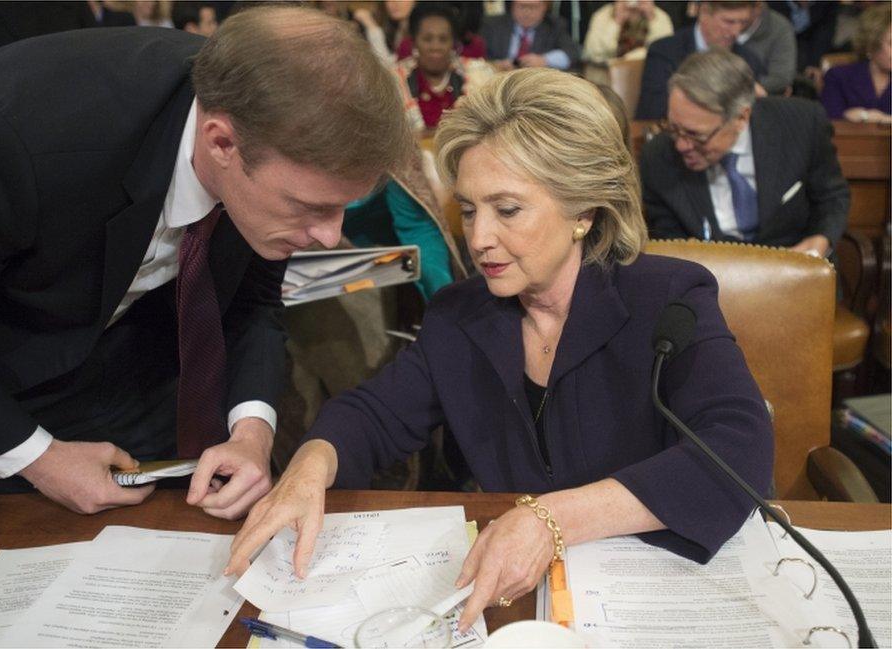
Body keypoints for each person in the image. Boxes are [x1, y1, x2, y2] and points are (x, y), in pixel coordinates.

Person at [226, 68, 774, 631]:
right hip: (511, 607)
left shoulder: (670, 297)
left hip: (650, 602)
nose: (479, 236)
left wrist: (549, 519)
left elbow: (740, 450)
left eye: (507, 210)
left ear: (584, 211)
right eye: (468, 209)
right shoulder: (459, 315)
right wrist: (310, 466)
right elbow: (374, 414)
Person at [0, 6, 411, 517]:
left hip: (145, 374)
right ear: (221, 142)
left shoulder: (268, 131)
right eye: (311, 208)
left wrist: (252, 433)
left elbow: (253, 300)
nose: (331, 238)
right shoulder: (9, 137)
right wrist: (39, 458)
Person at [641, 50, 848, 257]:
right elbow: (671, 247)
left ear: (741, 118)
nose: (681, 146)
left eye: (696, 135)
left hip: (797, 269)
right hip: (711, 280)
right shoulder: (658, 157)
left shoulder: (802, 123)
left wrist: (820, 242)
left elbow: (832, 196)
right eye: (674, 128)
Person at [635, 0, 766, 119]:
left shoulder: (748, 59)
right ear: (704, 13)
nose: (736, 32)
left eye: (743, 23)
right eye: (729, 22)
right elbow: (653, 110)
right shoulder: (665, 51)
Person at [394, 2, 495, 131]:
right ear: (414, 42)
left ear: (453, 42)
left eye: (443, 39)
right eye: (427, 39)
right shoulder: (395, 80)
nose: (435, 47)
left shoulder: (478, 74)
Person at [820, 2, 891, 124]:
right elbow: (828, 123)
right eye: (891, 43)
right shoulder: (838, 76)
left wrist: (880, 118)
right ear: (871, 44)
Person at [480, 0, 581, 72]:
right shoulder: (492, 25)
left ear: (545, 7)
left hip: (536, 84)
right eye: (522, 6)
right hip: (498, 80)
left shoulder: (554, 25)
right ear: (512, 5)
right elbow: (476, 56)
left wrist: (544, 60)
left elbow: (572, 53)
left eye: (533, 7)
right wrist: (496, 65)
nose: (527, 12)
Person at [583, 0, 674, 64]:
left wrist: (651, 18)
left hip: (647, 74)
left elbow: (664, 52)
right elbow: (593, 54)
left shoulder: (659, 16)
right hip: (609, 77)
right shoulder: (603, 16)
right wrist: (617, 21)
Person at [737, 1, 798, 95]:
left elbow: (781, 78)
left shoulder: (780, 28)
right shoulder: (712, 20)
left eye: (739, 7)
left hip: (758, 97)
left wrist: (741, 86)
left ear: (757, 8)